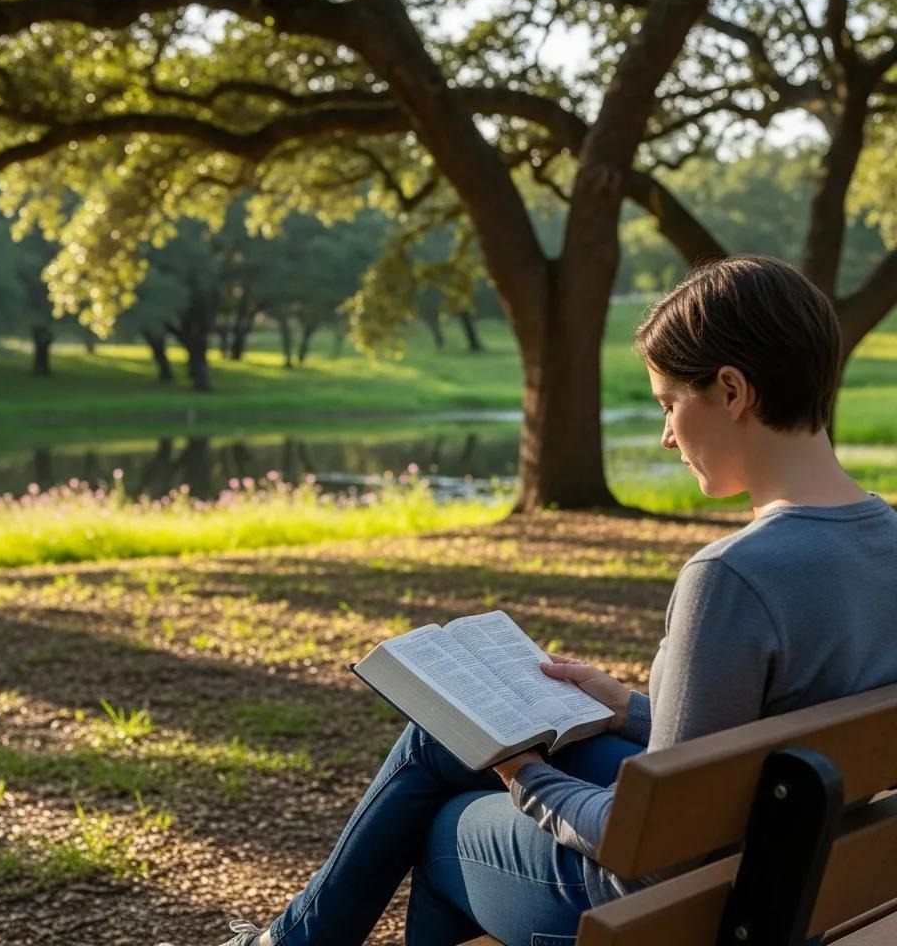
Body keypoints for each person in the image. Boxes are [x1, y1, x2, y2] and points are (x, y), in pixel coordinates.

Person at [172, 256, 897, 946]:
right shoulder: (886, 536)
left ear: (733, 392)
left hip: (682, 901)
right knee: (441, 737)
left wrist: (524, 775)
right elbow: (751, 748)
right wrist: (622, 706)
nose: (668, 435)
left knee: (444, 824)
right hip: (803, 864)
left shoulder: (731, 577)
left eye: (671, 404)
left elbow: (648, 848)